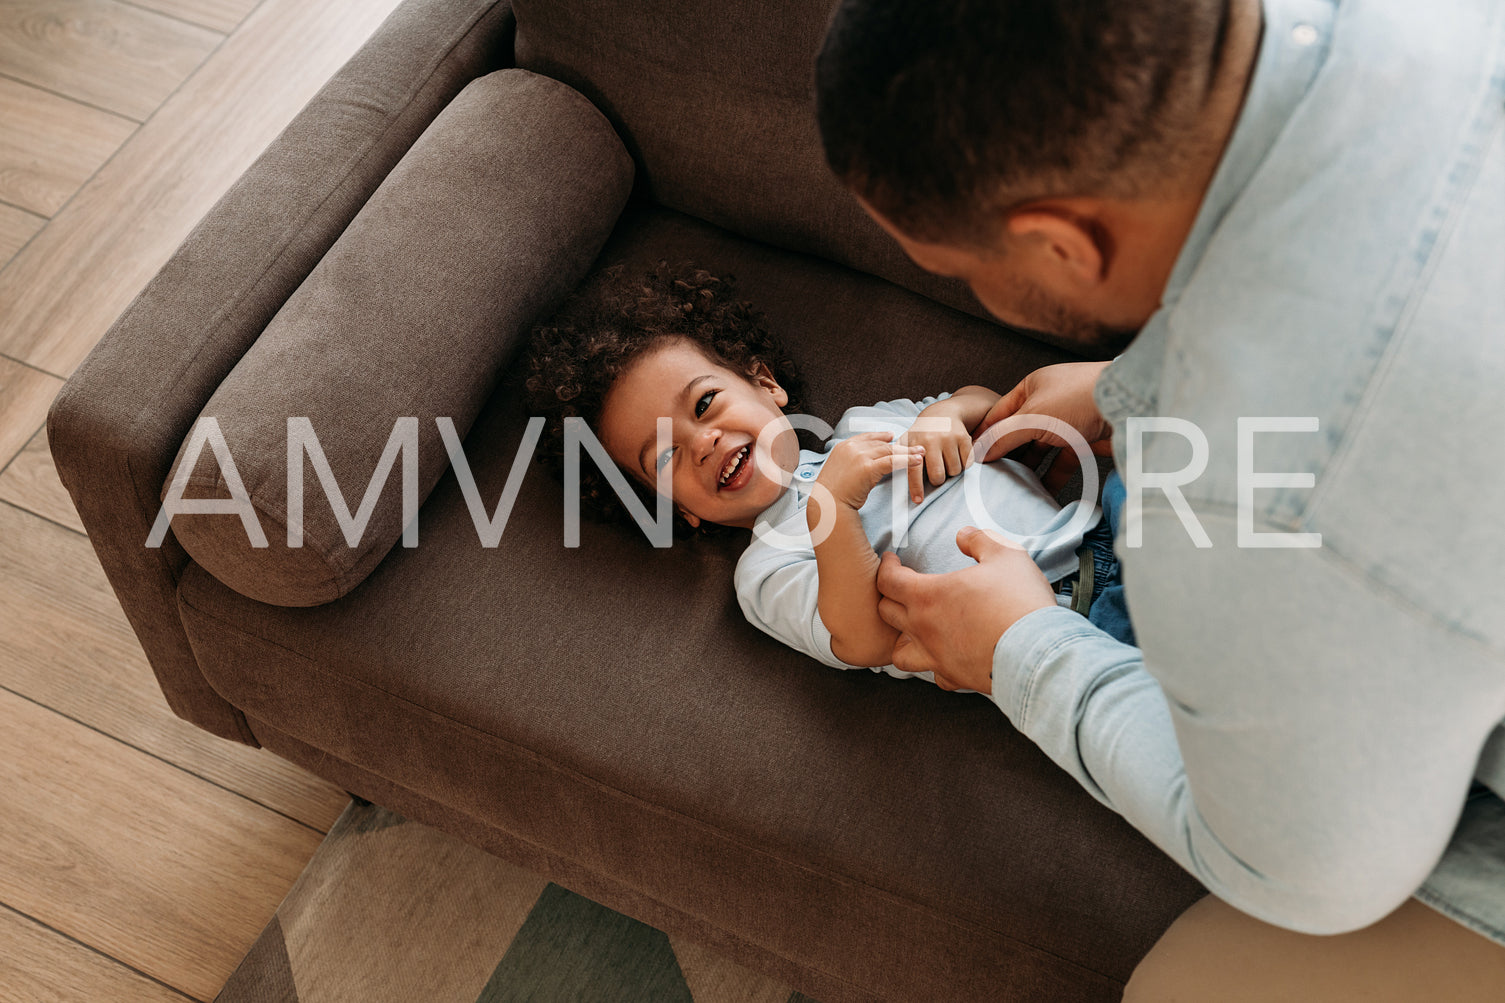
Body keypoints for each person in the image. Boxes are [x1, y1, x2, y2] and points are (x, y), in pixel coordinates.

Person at [815, 0, 1505, 996]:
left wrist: (1018, 648)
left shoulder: (1232, 496)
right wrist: (1119, 385)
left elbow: (1304, 873)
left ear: (1059, 246)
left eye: (961, 273)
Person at [524, 262, 1134, 684]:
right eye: (664, 458)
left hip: (1106, 524)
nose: (703, 442)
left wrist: (950, 414)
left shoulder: (869, 421)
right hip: (1058, 624)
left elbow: (986, 400)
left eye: (705, 403)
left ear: (767, 385)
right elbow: (863, 641)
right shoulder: (765, 570)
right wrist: (830, 510)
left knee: (1157, 444)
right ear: (677, 508)